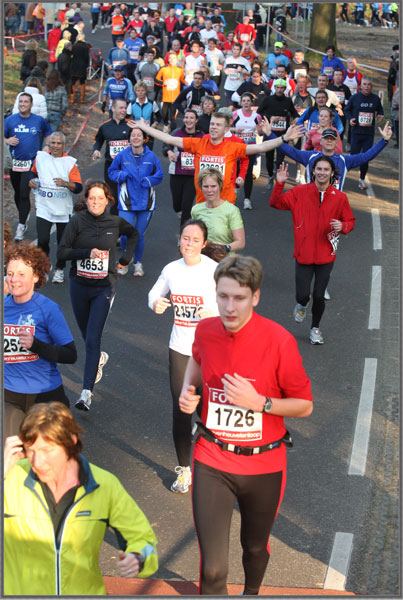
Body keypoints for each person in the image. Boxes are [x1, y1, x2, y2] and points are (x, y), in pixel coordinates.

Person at [179, 254, 313, 595]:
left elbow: (305, 405)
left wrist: (261, 403)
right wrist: (188, 389)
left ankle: (251, 593)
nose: (229, 307)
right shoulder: (206, 330)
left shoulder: (279, 341)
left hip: (264, 466)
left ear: (255, 297)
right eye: (222, 296)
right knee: (212, 570)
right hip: (212, 458)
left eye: (239, 297)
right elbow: (196, 360)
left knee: (254, 548)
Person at [4, 402, 158, 595]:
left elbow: (145, 541)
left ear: (70, 442)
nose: (37, 461)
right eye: (31, 450)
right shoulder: (11, 478)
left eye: (47, 450)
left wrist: (138, 558)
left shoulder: (104, 485)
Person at [148, 219, 219, 493]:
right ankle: (184, 470)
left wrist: (213, 314)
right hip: (180, 348)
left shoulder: (214, 270)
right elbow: (154, 293)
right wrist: (156, 303)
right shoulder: (171, 270)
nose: (189, 244)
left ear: (204, 243)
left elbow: (231, 302)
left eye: (195, 240)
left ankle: (215, 466)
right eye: (185, 238)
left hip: (210, 350)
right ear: (179, 240)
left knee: (208, 411)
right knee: (181, 410)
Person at [57, 180, 139, 410]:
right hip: (79, 286)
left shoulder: (115, 222)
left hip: (104, 287)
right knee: (87, 336)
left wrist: (126, 259)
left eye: (100, 198)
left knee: (92, 339)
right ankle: (98, 359)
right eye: (92, 198)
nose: (95, 202)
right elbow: (62, 252)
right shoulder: (77, 221)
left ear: (107, 201)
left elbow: (134, 234)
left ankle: (86, 393)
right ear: (86, 200)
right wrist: (86, 253)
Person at [132, 112, 303, 205]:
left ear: (226, 129)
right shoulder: (199, 143)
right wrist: (144, 128)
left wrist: (283, 138)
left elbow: (260, 147)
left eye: (218, 125)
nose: (213, 127)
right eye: (212, 124)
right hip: (202, 204)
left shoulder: (232, 147)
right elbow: (169, 139)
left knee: (222, 251)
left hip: (225, 204)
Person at [270, 158, 355, 344]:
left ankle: (315, 329)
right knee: (303, 295)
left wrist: (343, 226)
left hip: (326, 255)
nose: (322, 172)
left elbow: (350, 221)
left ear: (332, 173)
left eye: (326, 169)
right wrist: (279, 184)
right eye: (319, 169)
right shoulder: (299, 192)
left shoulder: (340, 197)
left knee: (319, 295)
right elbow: (276, 203)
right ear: (313, 171)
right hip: (304, 254)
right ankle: (302, 304)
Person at [4, 244, 77, 438]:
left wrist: (36, 345)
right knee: (11, 452)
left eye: (21, 274)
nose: (14, 279)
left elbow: (71, 354)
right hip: (8, 394)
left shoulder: (48, 309)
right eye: (10, 273)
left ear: (35, 277)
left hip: (45, 395)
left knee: (51, 451)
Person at [108, 128, 163, 277]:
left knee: (138, 235)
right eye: (133, 135)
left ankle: (138, 263)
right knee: (124, 235)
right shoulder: (122, 155)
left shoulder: (151, 156)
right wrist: (122, 175)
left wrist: (149, 180)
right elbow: (111, 171)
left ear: (144, 139)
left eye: (139, 135)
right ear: (129, 139)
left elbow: (159, 174)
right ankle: (125, 260)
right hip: (127, 202)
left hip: (146, 203)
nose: (136, 137)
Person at [29, 131, 83, 284]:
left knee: (62, 243)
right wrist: (32, 181)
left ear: (63, 145)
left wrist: (66, 184)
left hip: (62, 209)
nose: (55, 146)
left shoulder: (69, 163)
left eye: (59, 143)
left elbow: (78, 188)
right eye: (53, 143)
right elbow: (32, 173)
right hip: (44, 206)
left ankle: (59, 269)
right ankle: (45, 267)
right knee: (43, 240)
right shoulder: (41, 158)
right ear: (49, 143)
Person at [4, 92, 52, 242]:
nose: (23, 104)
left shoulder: (38, 120)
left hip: (31, 163)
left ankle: (21, 225)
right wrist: (7, 140)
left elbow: (49, 132)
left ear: (31, 104)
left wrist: (47, 145)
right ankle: (23, 215)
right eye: (21, 101)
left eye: (26, 102)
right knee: (18, 193)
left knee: (24, 194)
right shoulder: (10, 120)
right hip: (15, 162)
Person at [163, 108, 204, 224]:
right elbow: (166, 144)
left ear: (196, 120)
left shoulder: (202, 136)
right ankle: (179, 211)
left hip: (193, 175)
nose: (188, 120)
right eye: (186, 117)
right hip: (177, 172)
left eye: (191, 118)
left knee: (187, 205)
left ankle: (183, 232)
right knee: (177, 204)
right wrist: (169, 152)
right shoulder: (177, 133)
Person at [257, 78, 300, 189]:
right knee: (269, 158)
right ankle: (270, 175)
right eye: (277, 87)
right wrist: (270, 118)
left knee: (280, 159)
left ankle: (277, 178)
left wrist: (296, 118)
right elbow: (259, 113)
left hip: (283, 134)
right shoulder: (268, 99)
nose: (279, 90)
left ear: (285, 89)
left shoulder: (288, 101)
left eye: (281, 88)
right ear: (274, 88)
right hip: (269, 133)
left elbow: (294, 113)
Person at [191, 167, 245, 253]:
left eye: (213, 186)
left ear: (220, 186)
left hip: (224, 259)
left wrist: (222, 249)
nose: (209, 190)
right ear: (201, 187)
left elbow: (240, 242)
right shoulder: (196, 209)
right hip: (202, 258)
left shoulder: (232, 210)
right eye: (206, 186)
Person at [344, 77, 385, 189]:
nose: (367, 86)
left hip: (368, 133)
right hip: (356, 132)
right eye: (365, 84)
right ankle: (340, 175)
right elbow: (346, 110)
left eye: (369, 84)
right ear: (360, 86)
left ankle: (362, 179)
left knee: (366, 157)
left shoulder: (375, 99)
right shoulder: (354, 98)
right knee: (353, 156)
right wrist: (350, 119)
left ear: (372, 86)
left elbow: (380, 110)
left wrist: (380, 115)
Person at [93, 98, 131, 212]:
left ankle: (126, 218)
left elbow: (144, 140)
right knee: (112, 196)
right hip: (111, 166)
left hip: (128, 166)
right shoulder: (105, 126)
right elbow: (98, 140)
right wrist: (96, 150)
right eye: (121, 108)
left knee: (127, 196)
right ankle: (113, 219)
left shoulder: (131, 125)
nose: (124, 110)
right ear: (113, 108)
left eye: (125, 108)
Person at [232, 92, 262, 209]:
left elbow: (261, 132)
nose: (246, 103)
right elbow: (226, 128)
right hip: (237, 147)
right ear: (241, 102)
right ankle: (234, 192)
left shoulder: (256, 116)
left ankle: (247, 199)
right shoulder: (235, 114)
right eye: (244, 101)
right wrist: (235, 130)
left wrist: (259, 130)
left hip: (250, 148)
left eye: (248, 101)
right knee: (236, 171)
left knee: (248, 173)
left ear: (251, 102)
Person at [155, 51, 186, 132]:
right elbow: (156, 79)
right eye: (170, 58)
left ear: (177, 60)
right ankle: (166, 124)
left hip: (175, 97)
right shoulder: (163, 69)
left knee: (173, 117)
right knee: (164, 114)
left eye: (174, 58)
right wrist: (163, 83)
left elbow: (182, 81)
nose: (172, 60)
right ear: (168, 59)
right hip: (165, 97)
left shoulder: (180, 70)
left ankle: (173, 133)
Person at [223, 42, 251, 106]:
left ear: (240, 51)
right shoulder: (228, 60)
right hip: (229, 86)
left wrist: (242, 71)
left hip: (239, 87)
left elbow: (250, 73)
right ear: (232, 50)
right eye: (234, 49)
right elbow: (225, 70)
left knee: (239, 106)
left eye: (237, 49)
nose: (235, 51)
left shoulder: (244, 61)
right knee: (230, 107)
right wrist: (225, 71)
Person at [70, 33, 90, 104]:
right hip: (82, 66)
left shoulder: (74, 46)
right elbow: (87, 58)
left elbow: (71, 56)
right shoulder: (85, 47)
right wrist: (86, 66)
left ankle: (72, 98)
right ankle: (82, 98)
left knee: (73, 82)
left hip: (74, 65)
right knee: (82, 82)